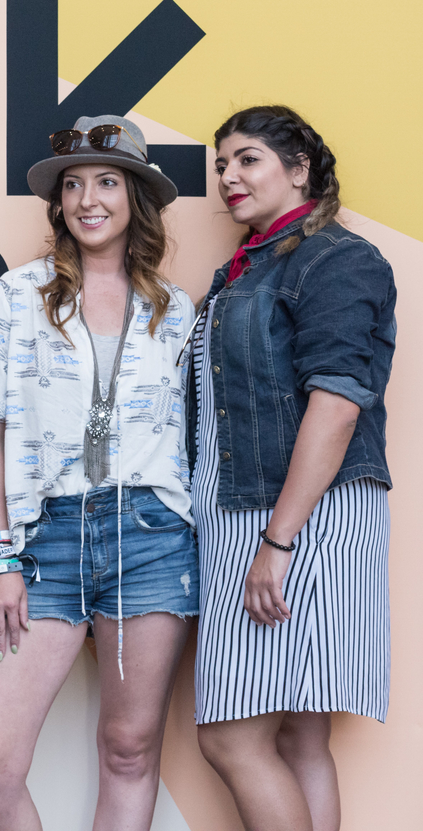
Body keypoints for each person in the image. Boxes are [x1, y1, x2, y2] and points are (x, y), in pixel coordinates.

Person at [0, 115, 197, 830]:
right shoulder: (15, 295)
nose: (88, 199)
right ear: (58, 202)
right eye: (73, 185)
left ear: (135, 197)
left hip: (153, 538)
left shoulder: (175, 311)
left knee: (129, 750)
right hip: (44, 541)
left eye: (107, 182)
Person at [191, 106, 394, 831]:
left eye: (247, 158)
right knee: (301, 736)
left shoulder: (336, 259)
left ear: (299, 168)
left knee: (231, 737)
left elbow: (336, 407)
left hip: (296, 517)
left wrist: (277, 542)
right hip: (255, 512)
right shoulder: (248, 266)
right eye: (222, 164)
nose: (229, 176)